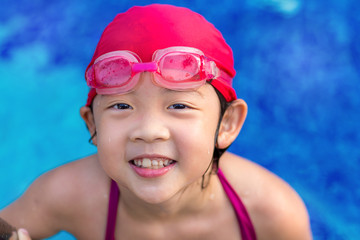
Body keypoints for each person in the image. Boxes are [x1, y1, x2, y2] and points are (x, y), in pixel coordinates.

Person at [0, 4, 312, 240]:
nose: (148, 130)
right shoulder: (69, 195)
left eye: (178, 105)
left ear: (227, 123)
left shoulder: (272, 214)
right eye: (122, 105)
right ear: (93, 125)